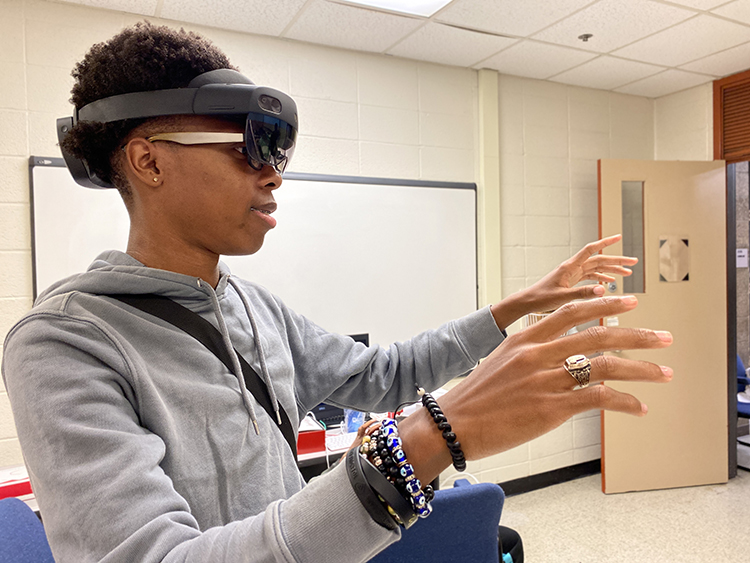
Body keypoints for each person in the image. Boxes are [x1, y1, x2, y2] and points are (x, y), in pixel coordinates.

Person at [1, 22, 672, 563]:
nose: (273, 176)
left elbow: (384, 374)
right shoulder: (64, 343)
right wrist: (430, 437)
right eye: (249, 147)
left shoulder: (253, 306)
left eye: (279, 151)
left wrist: (517, 306)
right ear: (149, 160)